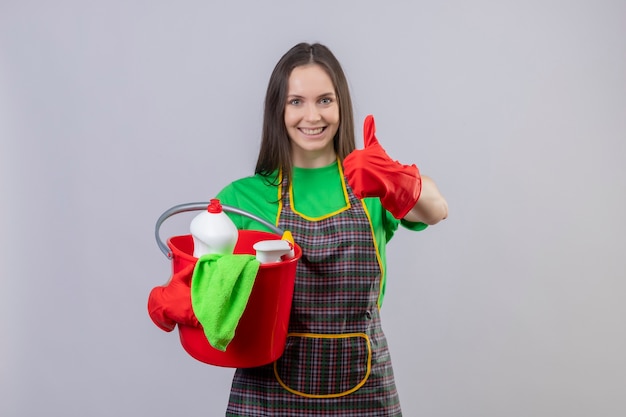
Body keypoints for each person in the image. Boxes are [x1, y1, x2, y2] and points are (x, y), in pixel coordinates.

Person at [213, 42, 448, 416]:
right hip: (267, 396)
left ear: (341, 106)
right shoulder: (243, 199)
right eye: (296, 101)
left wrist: (396, 179)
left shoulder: (370, 187)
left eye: (325, 100)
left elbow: (437, 210)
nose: (312, 115)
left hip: (365, 391)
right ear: (278, 108)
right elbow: (210, 291)